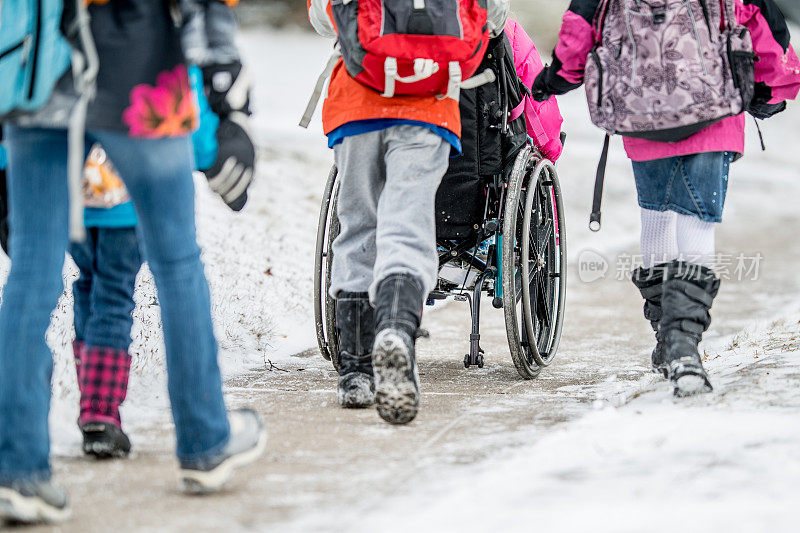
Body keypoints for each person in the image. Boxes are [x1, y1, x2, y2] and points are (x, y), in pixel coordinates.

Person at [0, 0, 264, 524]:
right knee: (176, 260)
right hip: (136, 60)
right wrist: (221, 94)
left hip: (33, 65)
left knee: (33, 264)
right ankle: (204, 439)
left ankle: (19, 468)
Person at [531, 0, 800, 396]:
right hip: (714, 110)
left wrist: (558, 77)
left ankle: (668, 337)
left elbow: (581, 24)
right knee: (697, 222)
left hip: (643, 111)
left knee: (656, 216)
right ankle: (684, 347)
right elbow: (763, 21)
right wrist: (773, 87)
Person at [306, 0, 510, 424]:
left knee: (359, 226)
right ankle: (396, 329)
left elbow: (323, 17)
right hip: (429, 104)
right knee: (407, 229)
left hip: (358, 104)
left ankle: (356, 370)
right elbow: (492, 18)